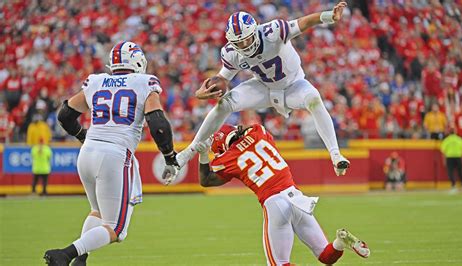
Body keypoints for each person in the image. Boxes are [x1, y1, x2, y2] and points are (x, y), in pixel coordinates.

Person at [169, 2, 350, 182]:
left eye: (246, 39)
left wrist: (328, 16)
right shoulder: (231, 52)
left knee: (313, 99)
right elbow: (223, 79)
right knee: (225, 103)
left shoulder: (273, 31)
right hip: (263, 86)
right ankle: (189, 152)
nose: (244, 44)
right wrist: (202, 91)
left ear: (255, 31)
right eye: (239, 42)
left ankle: (335, 155)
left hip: (293, 84)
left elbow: (303, 22)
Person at [43, 41, 180, 266]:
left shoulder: (96, 81)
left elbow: (65, 115)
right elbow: (158, 124)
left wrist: (82, 136)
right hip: (115, 154)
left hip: (87, 153)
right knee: (116, 229)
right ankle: (65, 254)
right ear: (137, 61)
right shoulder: (144, 82)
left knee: (97, 212)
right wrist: (169, 156)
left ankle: (80, 260)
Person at [196, 124, 370, 265]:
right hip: (297, 197)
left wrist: (203, 154)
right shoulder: (259, 131)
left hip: (274, 202)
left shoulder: (227, 158)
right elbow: (251, 134)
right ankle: (341, 242)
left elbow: (206, 181)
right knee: (326, 255)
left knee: (278, 264)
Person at [440, 128, 462, 193]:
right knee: (460, 172)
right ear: (455, 132)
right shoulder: (459, 139)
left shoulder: (447, 140)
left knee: (450, 172)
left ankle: (453, 185)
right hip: (458, 156)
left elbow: (443, 151)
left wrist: (444, 160)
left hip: (449, 157)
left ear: (449, 133)